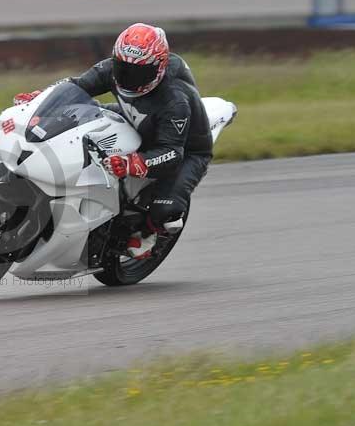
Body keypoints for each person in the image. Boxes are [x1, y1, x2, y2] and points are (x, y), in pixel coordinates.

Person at [13, 23, 213, 260]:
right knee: (76, 114)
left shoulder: (175, 101)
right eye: (122, 67)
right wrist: (41, 98)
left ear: (158, 68)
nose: (128, 78)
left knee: (166, 209)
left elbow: (172, 152)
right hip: (133, 116)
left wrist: (134, 163)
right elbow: (75, 86)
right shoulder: (111, 69)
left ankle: (149, 234)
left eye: (139, 72)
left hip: (185, 149)